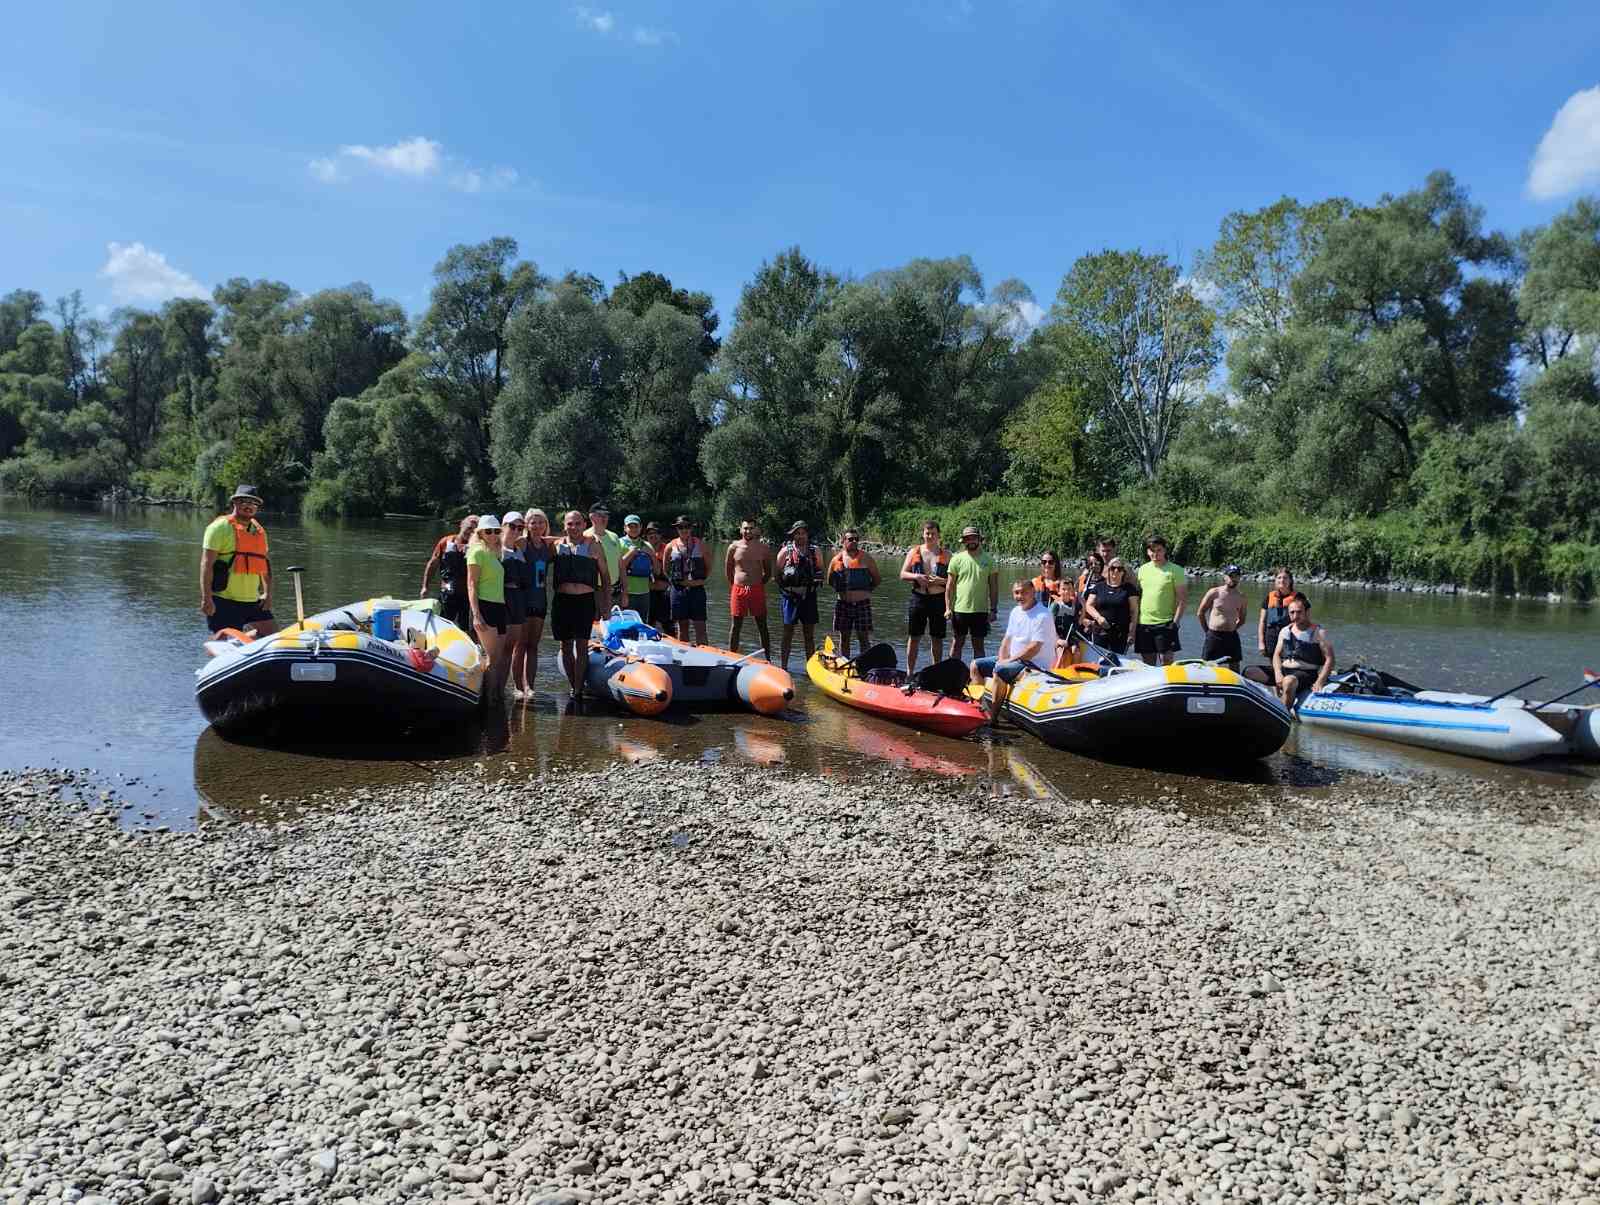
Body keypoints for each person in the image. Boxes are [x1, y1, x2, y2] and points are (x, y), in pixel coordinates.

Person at [970, 578, 1057, 723]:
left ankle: (993, 719)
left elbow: (1033, 648)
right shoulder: (1016, 611)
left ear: (1033, 592)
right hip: (1015, 659)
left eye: (1024, 592)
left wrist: (1007, 661)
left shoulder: (1043, 615)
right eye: (1016, 593)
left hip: (1033, 664)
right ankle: (976, 709)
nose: (1019, 596)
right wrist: (1001, 658)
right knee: (975, 665)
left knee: (1000, 670)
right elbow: (1007, 640)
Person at [552, 509, 612, 701]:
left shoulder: (594, 546)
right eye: (570, 524)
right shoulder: (556, 545)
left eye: (578, 523)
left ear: (584, 525)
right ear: (564, 526)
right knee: (565, 646)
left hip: (585, 601)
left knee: (582, 644)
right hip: (562, 601)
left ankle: (578, 689)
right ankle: (573, 685)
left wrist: (606, 606)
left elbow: (605, 577)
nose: (574, 527)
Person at [201, 485, 278, 635]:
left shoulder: (259, 531)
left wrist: (268, 594)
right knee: (223, 641)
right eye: (244, 501)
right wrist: (206, 598)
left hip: (253, 600)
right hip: (224, 600)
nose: (249, 506)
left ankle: (243, 640)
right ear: (235, 502)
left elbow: (265, 565)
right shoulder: (219, 528)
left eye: (254, 503)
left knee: (272, 635)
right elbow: (206, 564)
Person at [511, 508, 555, 700]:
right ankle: (517, 686)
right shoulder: (522, 543)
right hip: (523, 599)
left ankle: (530, 685)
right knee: (520, 645)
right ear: (527, 525)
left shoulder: (548, 545)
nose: (537, 526)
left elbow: (564, 539)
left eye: (541, 522)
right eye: (533, 522)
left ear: (546, 525)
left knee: (533, 645)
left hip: (540, 600)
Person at [466, 514, 511, 702]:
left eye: (496, 531)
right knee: (492, 657)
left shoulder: (495, 552)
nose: (493, 534)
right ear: (480, 533)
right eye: (488, 531)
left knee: (497, 658)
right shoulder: (477, 552)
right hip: (484, 606)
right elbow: (471, 585)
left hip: (499, 607)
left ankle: (494, 696)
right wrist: (476, 615)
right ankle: (488, 700)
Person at [899, 519, 950, 673]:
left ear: (938, 535)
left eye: (933, 533)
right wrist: (916, 577)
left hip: (938, 599)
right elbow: (902, 574)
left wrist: (941, 581)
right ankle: (910, 673)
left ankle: (935, 673)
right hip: (918, 598)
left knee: (937, 639)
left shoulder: (947, 555)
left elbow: (955, 581)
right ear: (923, 534)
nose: (930, 536)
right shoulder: (914, 552)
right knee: (914, 637)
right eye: (927, 533)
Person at [945, 525, 999, 663]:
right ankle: (953, 672)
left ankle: (978, 674)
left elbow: (993, 587)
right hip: (959, 610)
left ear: (979, 539)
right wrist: (948, 608)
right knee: (957, 644)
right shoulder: (956, 559)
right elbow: (949, 586)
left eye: (974, 538)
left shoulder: (989, 560)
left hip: (980, 611)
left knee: (979, 647)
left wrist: (993, 610)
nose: (971, 541)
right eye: (968, 539)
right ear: (964, 541)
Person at [1271, 594, 1334, 708]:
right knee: (1250, 672)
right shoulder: (1285, 630)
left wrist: (1320, 681)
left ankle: (1282, 712)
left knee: (1288, 681)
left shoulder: (1319, 632)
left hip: (1306, 674)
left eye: (1299, 612)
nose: (1295, 615)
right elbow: (1276, 655)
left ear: (1307, 612)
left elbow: (1330, 659)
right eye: (1292, 612)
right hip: (1284, 670)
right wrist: (1278, 673)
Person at [775, 520, 824, 669]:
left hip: (809, 597)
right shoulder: (785, 551)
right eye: (797, 533)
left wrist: (815, 579)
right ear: (793, 535)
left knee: (809, 635)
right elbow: (777, 574)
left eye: (803, 533)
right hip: (790, 598)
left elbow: (820, 570)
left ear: (807, 535)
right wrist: (785, 589)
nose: (800, 536)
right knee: (787, 633)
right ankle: (783, 667)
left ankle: (811, 668)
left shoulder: (815, 551)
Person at [827, 527, 880, 659]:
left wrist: (866, 591)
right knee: (844, 637)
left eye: (856, 539)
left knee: (863, 638)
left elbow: (877, 579)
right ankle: (845, 663)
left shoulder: (866, 559)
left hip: (862, 604)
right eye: (851, 539)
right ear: (843, 541)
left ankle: (865, 665)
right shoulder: (836, 560)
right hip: (843, 604)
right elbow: (829, 581)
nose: (854, 541)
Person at [1135, 535, 1186, 667]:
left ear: (1165, 550)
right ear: (1147, 552)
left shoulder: (1176, 570)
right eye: (1152, 550)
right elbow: (1138, 597)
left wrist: (1176, 623)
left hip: (1166, 623)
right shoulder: (1142, 570)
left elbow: (1182, 600)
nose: (1155, 554)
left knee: (1166, 660)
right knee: (1148, 663)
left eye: (1159, 550)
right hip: (1144, 623)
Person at [725, 519, 774, 658]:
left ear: (756, 530)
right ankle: (731, 657)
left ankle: (767, 659)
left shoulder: (763, 548)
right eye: (745, 528)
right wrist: (736, 584)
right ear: (741, 529)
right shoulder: (733, 547)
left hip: (756, 589)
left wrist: (757, 584)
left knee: (762, 625)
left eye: (751, 528)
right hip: (738, 589)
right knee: (736, 626)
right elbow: (728, 571)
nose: (748, 531)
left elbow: (768, 572)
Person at [420, 514, 476, 632]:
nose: (471, 532)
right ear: (461, 525)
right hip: (448, 592)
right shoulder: (446, 541)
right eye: (469, 528)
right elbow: (433, 564)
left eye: (475, 530)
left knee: (466, 628)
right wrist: (425, 587)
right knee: (443, 624)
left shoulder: (478, 547)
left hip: (468, 594)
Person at [498, 512, 533, 699]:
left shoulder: (519, 550)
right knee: (497, 650)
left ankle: (503, 689)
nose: (516, 531)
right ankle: (493, 689)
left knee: (510, 647)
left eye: (520, 528)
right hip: (501, 600)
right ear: (503, 526)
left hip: (518, 600)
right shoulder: (495, 548)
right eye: (512, 526)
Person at [663, 516, 711, 644]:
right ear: (676, 529)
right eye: (680, 527)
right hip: (678, 591)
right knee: (682, 627)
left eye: (687, 527)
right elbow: (666, 569)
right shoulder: (670, 546)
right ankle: (684, 654)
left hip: (697, 590)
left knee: (700, 627)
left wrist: (698, 581)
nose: (684, 530)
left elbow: (708, 567)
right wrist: (677, 581)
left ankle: (704, 654)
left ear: (691, 528)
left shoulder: (701, 545)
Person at [1080, 557, 1139, 655]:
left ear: (1123, 572)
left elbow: (1134, 611)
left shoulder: (1129, 589)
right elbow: (1088, 605)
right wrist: (1098, 618)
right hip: (1100, 630)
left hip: (1120, 633)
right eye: (1113, 568)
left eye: (1119, 569)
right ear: (1108, 570)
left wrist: (1132, 632)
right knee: (1098, 658)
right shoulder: (1099, 586)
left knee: (1117, 659)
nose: (1115, 571)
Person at [1196, 564, 1248, 670]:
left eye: (1236, 576)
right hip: (1214, 635)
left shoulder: (1241, 597)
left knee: (1235, 667)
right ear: (1225, 577)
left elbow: (1242, 619)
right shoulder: (1214, 592)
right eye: (1231, 576)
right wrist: (1207, 632)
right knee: (1207, 667)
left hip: (1232, 636)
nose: (1233, 579)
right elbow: (1200, 613)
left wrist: (1233, 628)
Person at [1032, 549, 1077, 666]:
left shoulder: (1063, 585)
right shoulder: (1034, 582)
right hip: (1038, 627)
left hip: (1057, 628)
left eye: (1050, 562)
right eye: (1044, 562)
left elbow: (1073, 603)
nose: (1047, 565)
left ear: (1055, 564)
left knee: (1066, 651)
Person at [583, 503, 625, 608]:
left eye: (606, 515)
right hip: (594, 590)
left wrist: (625, 592)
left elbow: (621, 565)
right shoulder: (584, 537)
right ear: (591, 517)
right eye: (600, 515)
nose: (604, 518)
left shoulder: (614, 536)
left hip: (615, 589)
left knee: (614, 617)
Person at [618, 514, 657, 618]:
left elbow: (657, 570)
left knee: (642, 623)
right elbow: (617, 568)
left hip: (644, 593)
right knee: (627, 623)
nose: (633, 529)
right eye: (630, 526)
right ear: (625, 528)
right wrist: (630, 553)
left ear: (641, 527)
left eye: (636, 526)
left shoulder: (647, 545)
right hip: (626, 592)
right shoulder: (618, 543)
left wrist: (651, 554)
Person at [1258, 568, 1300, 663]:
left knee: (1289, 662)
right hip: (1271, 635)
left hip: (1290, 635)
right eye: (1279, 577)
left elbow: (1306, 620)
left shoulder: (1298, 597)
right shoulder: (1269, 597)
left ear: (1290, 580)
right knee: (1273, 662)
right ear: (1275, 580)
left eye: (1285, 578)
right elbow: (1262, 621)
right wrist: (1261, 642)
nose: (1282, 580)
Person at [644, 521, 672, 630]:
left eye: (656, 533)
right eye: (650, 533)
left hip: (665, 593)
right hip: (647, 593)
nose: (653, 536)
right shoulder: (641, 549)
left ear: (661, 535)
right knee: (648, 623)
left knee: (668, 625)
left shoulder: (668, 549)